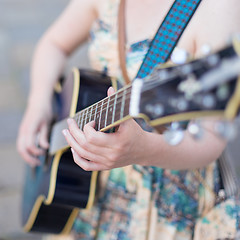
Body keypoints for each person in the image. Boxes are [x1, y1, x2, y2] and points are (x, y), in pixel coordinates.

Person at [17, 0, 240, 239]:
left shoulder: (217, 7)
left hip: (165, 208)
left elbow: (210, 142)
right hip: (88, 194)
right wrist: (39, 102)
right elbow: (54, 44)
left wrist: (143, 150)